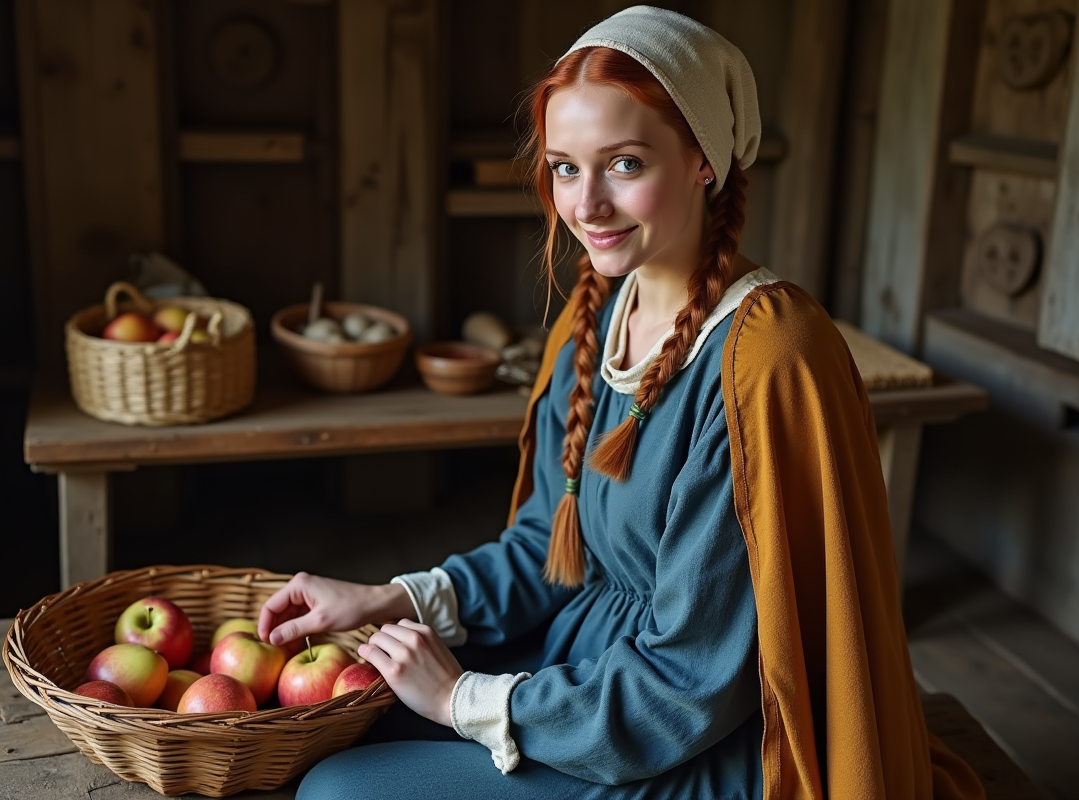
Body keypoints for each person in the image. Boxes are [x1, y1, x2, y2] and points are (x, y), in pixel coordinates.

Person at [260, 7, 986, 799]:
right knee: (347, 718)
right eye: (565, 168)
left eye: (626, 164)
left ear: (704, 160)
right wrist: (389, 598)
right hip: (594, 678)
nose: (587, 205)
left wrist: (466, 698)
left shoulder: (768, 357)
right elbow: (549, 546)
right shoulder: (596, 317)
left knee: (341, 791)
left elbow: (691, 680)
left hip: (703, 734)